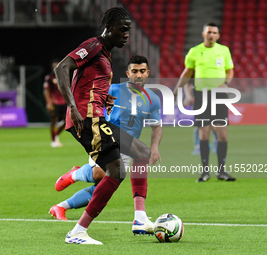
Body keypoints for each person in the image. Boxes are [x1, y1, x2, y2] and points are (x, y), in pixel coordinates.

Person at [54, 8, 159, 245]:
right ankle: (78, 232)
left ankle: (140, 217)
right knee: (116, 171)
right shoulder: (93, 45)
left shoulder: (106, 54)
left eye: (128, 31)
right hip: (86, 119)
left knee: (141, 153)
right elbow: (62, 69)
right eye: (122, 30)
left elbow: (88, 83)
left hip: (97, 117)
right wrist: (72, 106)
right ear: (109, 27)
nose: (126, 35)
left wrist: (103, 99)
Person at [174, 22, 236, 182]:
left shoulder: (224, 50)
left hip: (219, 96)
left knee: (222, 134)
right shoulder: (194, 52)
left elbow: (230, 71)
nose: (211, 35)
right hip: (201, 96)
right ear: (203, 34)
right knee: (204, 133)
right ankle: (205, 172)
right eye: (209, 32)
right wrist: (176, 89)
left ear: (218, 35)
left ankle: (221, 171)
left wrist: (227, 83)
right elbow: (187, 72)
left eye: (215, 32)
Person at [183, 83, 217, 155]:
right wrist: (188, 97)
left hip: (210, 105)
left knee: (213, 125)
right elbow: (186, 102)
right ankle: (198, 147)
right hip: (199, 110)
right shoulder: (192, 87)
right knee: (198, 127)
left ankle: (216, 144)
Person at [43, 58, 67, 147]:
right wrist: (48, 103)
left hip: (63, 102)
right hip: (54, 103)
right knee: (53, 122)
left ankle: (56, 135)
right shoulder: (49, 77)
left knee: (67, 120)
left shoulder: (63, 77)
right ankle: (53, 140)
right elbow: (46, 91)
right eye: (54, 66)